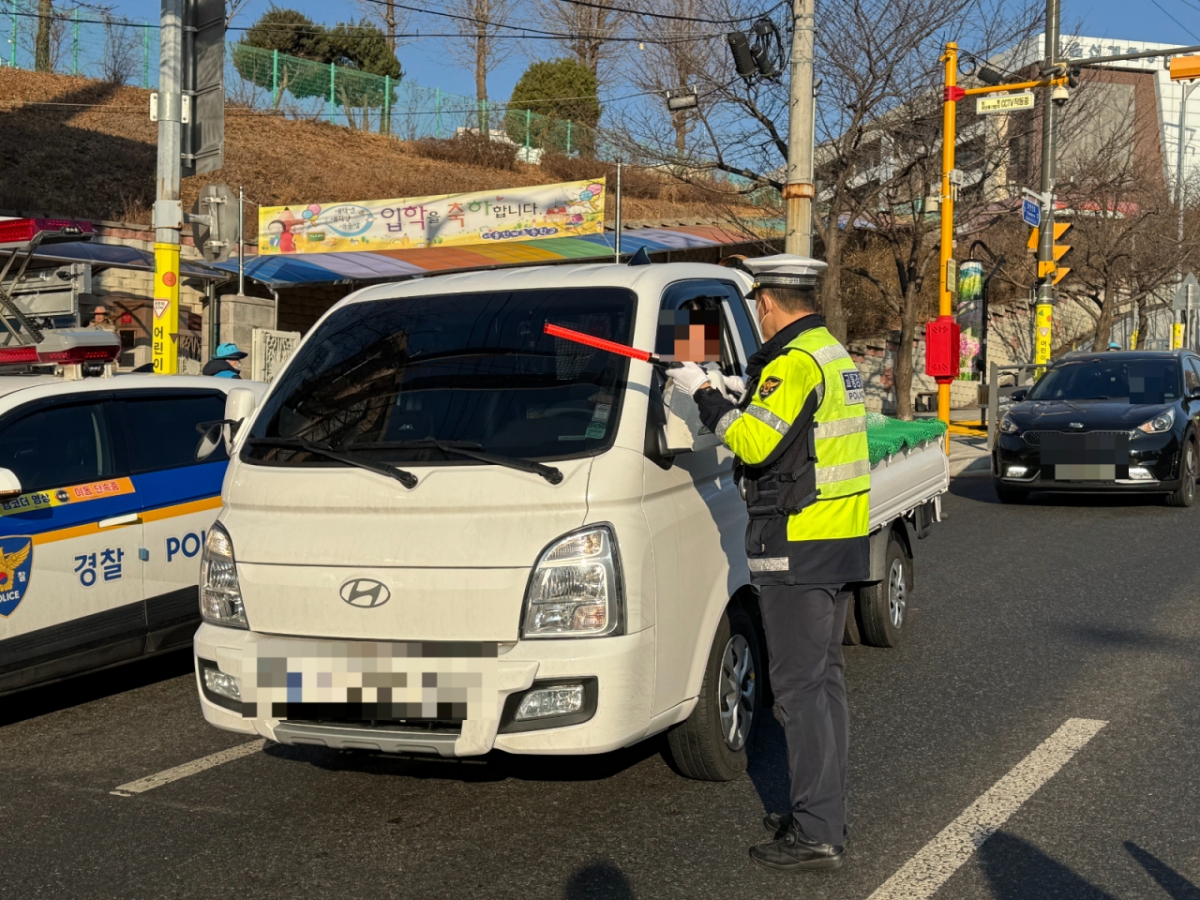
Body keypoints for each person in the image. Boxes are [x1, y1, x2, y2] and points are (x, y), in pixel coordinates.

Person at [666, 254, 870, 873]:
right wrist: (743, 396)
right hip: (838, 539)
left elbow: (755, 443)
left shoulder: (792, 362)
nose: (756, 311)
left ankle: (817, 832)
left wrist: (703, 394)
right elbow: (795, 431)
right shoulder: (830, 353)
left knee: (801, 693)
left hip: (798, 543)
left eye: (758, 302)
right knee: (824, 686)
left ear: (769, 303)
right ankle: (822, 814)